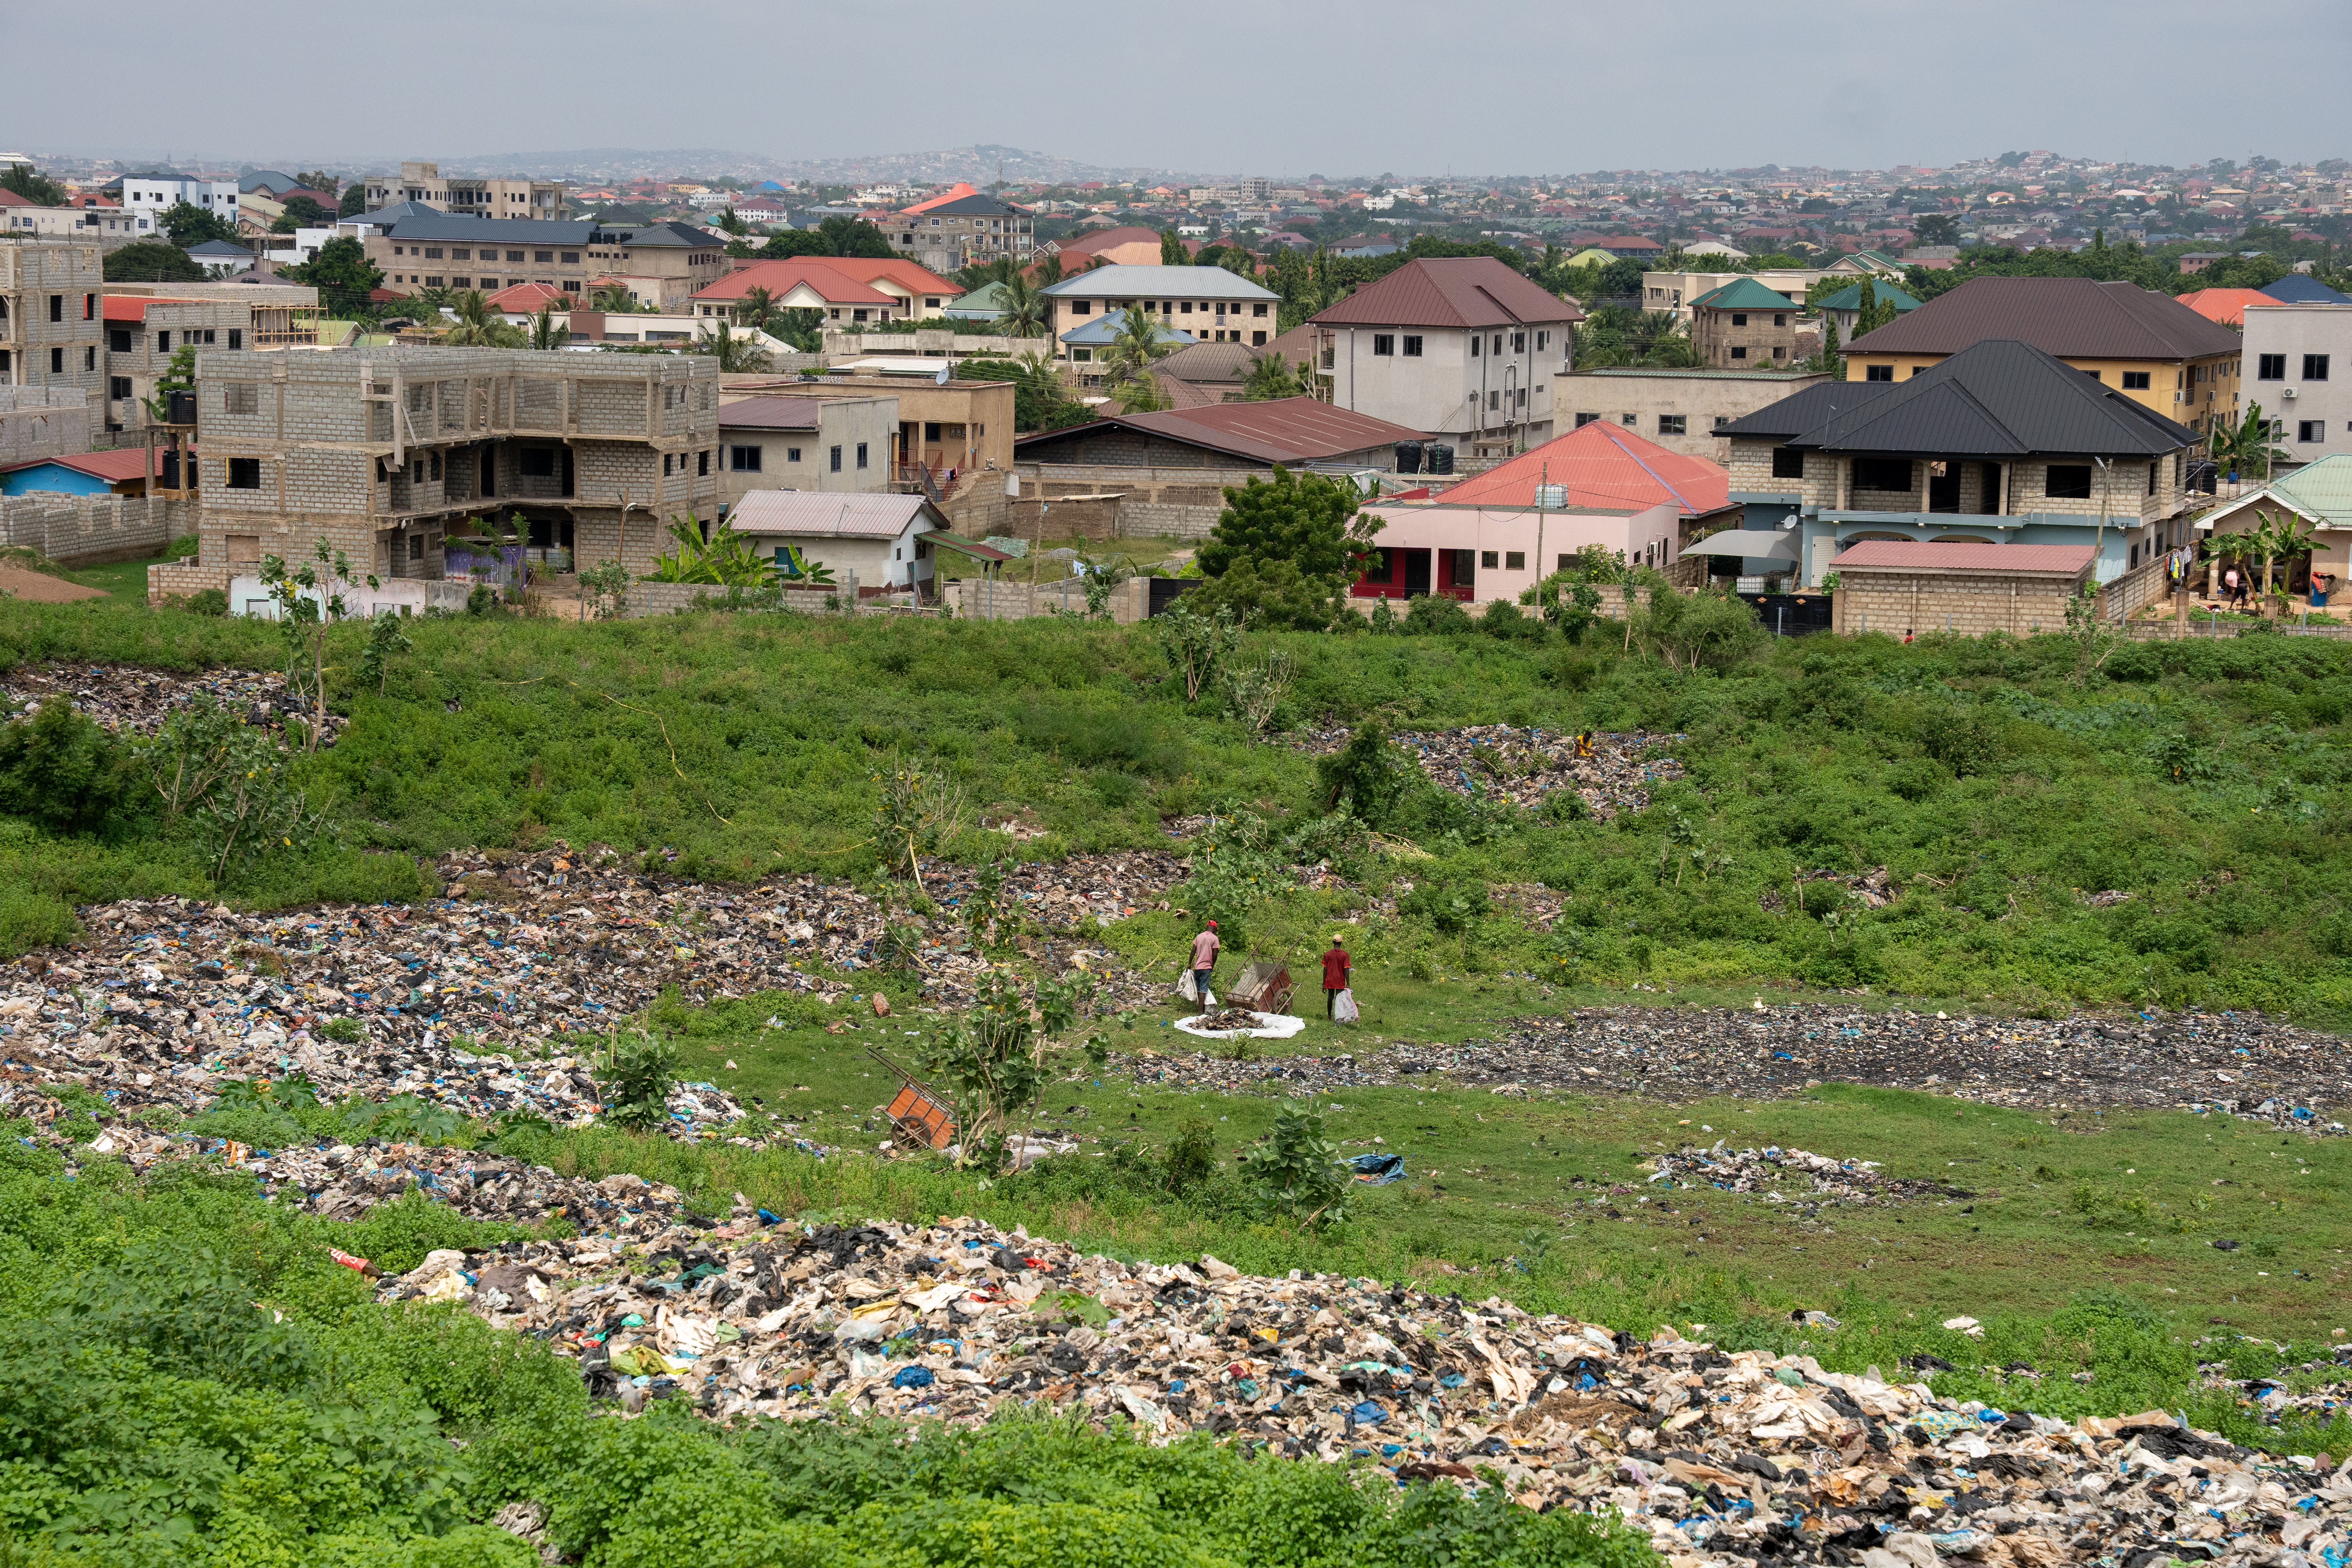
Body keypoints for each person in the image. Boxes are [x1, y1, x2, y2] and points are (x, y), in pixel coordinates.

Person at [1189, 920, 1220, 1014]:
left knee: (1199, 987)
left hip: (1197, 967)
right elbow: (1215, 955)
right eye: (1216, 930)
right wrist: (1212, 965)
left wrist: (1190, 963)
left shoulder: (1199, 936)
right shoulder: (1214, 938)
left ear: (1207, 927)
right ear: (1214, 928)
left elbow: (1193, 950)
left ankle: (1201, 1009)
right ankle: (1200, 1012)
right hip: (1207, 967)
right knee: (1203, 989)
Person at [1321, 935, 1352, 1019]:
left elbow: (1325, 969)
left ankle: (1329, 1016)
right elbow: (1346, 970)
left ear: (1333, 942)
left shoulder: (1328, 954)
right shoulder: (1345, 955)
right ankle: (1339, 1017)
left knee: (1330, 998)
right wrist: (1348, 983)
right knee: (1339, 999)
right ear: (1341, 943)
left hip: (1330, 980)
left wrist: (1324, 984)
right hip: (1340, 980)